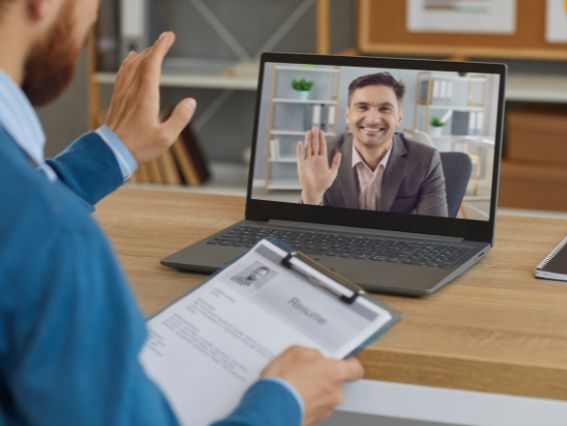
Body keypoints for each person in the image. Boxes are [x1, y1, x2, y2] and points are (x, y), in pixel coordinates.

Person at [0, 0, 363, 425]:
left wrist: (110, 152)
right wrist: (284, 403)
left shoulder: (32, 220)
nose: (95, 15)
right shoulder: (54, 236)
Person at [296, 72, 448, 217]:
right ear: (348, 115)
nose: (373, 119)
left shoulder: (426, 160)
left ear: (399, 117)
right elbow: (308, 229)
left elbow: (435, 229)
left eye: (385, 109)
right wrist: (312, 196)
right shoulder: (324, 155)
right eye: (362, 107)